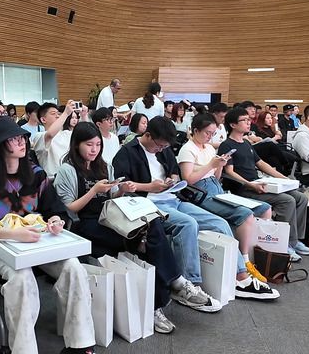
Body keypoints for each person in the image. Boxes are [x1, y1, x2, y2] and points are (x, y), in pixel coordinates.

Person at [0, 118, 103, 354]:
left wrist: (55, 221)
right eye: (13, 139)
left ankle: (79, 348)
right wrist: (12, 233)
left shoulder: (36, 174)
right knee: (21, 279)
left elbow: (54, 209)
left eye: (22, 137)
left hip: (39, 244)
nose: (21, 142)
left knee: (74, 268)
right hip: (3, 249)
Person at [54, 122, 221, 330]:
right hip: (87, 223)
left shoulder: (103, 166)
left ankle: (166, 292)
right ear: (76, 145)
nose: (94, 150)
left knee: (153, 223)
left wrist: (122, 190)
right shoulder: (67, 170)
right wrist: (94, 191)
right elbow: (70, 209)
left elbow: (112, 197)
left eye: (97, 145)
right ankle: (167, 292)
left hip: (111, 215)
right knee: (148, 242)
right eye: (89, 145)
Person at [113, 116, 279, 300]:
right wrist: (149, 187)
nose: (161, 149)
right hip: (148, 203)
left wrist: (172, 181)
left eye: (165, 147)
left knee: (219, 223)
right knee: (188, 224)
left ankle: (241, 276)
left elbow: (175, 172)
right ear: (148, 135)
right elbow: (122, 185)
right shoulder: (127, 152)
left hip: (173, 198)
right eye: (159, 146)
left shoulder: (165, 149)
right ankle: (189, 284)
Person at [220, 108, 309, 260]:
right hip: (244, 188)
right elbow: (229, 172)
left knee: (301, 198)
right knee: (287, 200)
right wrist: (250, 185)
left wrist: (285, 179)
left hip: (259, 183)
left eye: (248, 120)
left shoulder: (245, 143)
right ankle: (285, 243)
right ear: (232, 125)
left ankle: (294, 240)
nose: (248, 122)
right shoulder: (226, 145)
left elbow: (261, 164)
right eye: (244, 120)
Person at [178, 113, 275, 260]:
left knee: (265, 208)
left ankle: (261, 253)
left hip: (217, 188)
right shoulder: (187, 149)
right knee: (245, 214)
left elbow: (217, 177)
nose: (210, 137)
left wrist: (220, 165)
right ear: (196, 130)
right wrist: (211, 165)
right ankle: (244, 259)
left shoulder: (209, 148)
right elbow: (188, 180)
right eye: (207, 133)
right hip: (201, 192)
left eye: (213, 133)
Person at [32, 100, 79, 176]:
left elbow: (85, 137)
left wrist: (84, 115)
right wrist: (66, 113)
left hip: (72, 176)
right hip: (53, 179)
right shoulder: (39, 136)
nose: (58, 116)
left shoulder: (67, 133)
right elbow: (50, 134)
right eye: (53, 113)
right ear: (43, 119)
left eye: (58, 114)